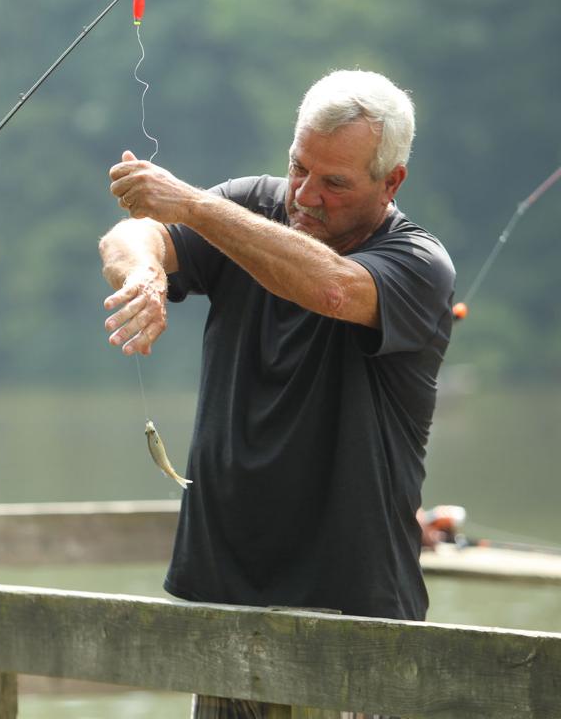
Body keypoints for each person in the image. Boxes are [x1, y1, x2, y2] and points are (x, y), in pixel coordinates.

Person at [99, 70, 454, 718]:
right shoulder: (251, 207)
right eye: (298, 167)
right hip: (228, 602)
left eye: (334, 183)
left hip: (353, 611)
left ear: (390, 181)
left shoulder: (418, 262)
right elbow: (129, 234)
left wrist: (195, 206)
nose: (305, 196)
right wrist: (146, 271)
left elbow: (333, 289)